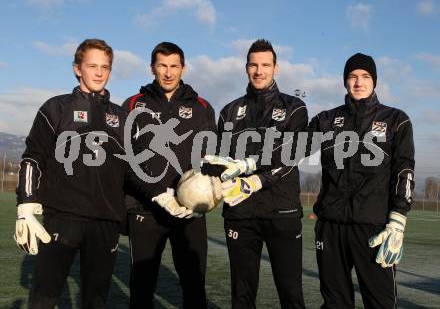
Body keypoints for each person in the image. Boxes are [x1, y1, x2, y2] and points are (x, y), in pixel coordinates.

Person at [14, 38, 129, 308]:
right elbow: (32, 157)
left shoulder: (122, 117)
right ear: (78, 69)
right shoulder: (56, 108)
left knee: (95, 300)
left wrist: (164, 194)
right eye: (92, 66)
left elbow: (132, 170)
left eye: (105, 67)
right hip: (62, 217)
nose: (99, 73)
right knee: (44, 296)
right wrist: (26, 204)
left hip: (105, 221)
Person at [204, 39, 307, 309]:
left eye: (265, 65)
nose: (259, 71)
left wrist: (254, 179)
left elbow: (290, 155)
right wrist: (200, 179)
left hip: (281, 214)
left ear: (276, 68)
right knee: (242, 295)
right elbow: (220, 161)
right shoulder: (229, 111)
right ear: (246, 68)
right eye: (253, 65)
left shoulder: (295, 107)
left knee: (291, 294)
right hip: (240, 214)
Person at [308, 53, 415, 308]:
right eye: (352, 76)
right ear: (345, 81)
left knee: (380, 302)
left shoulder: (396, 120)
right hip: (331, 227)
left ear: (374, 81)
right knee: (334, 303)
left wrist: (397, 221)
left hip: (374, 228)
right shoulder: (325, 120)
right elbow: (291, 149)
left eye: (365, 76)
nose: (359, 82)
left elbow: (404, 170)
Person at [122, 41, 216, 309]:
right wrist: (156, 194)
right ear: (152, 68)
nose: (168, 72)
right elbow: (124, 161)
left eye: (174, 66)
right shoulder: (132, 105)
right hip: (146, 210)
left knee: (194, 287)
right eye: (162, 65)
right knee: (141, 288)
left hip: (189, 213)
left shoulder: (202, 107)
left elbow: (210, 159)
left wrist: (205, 196)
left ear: (183, 68)